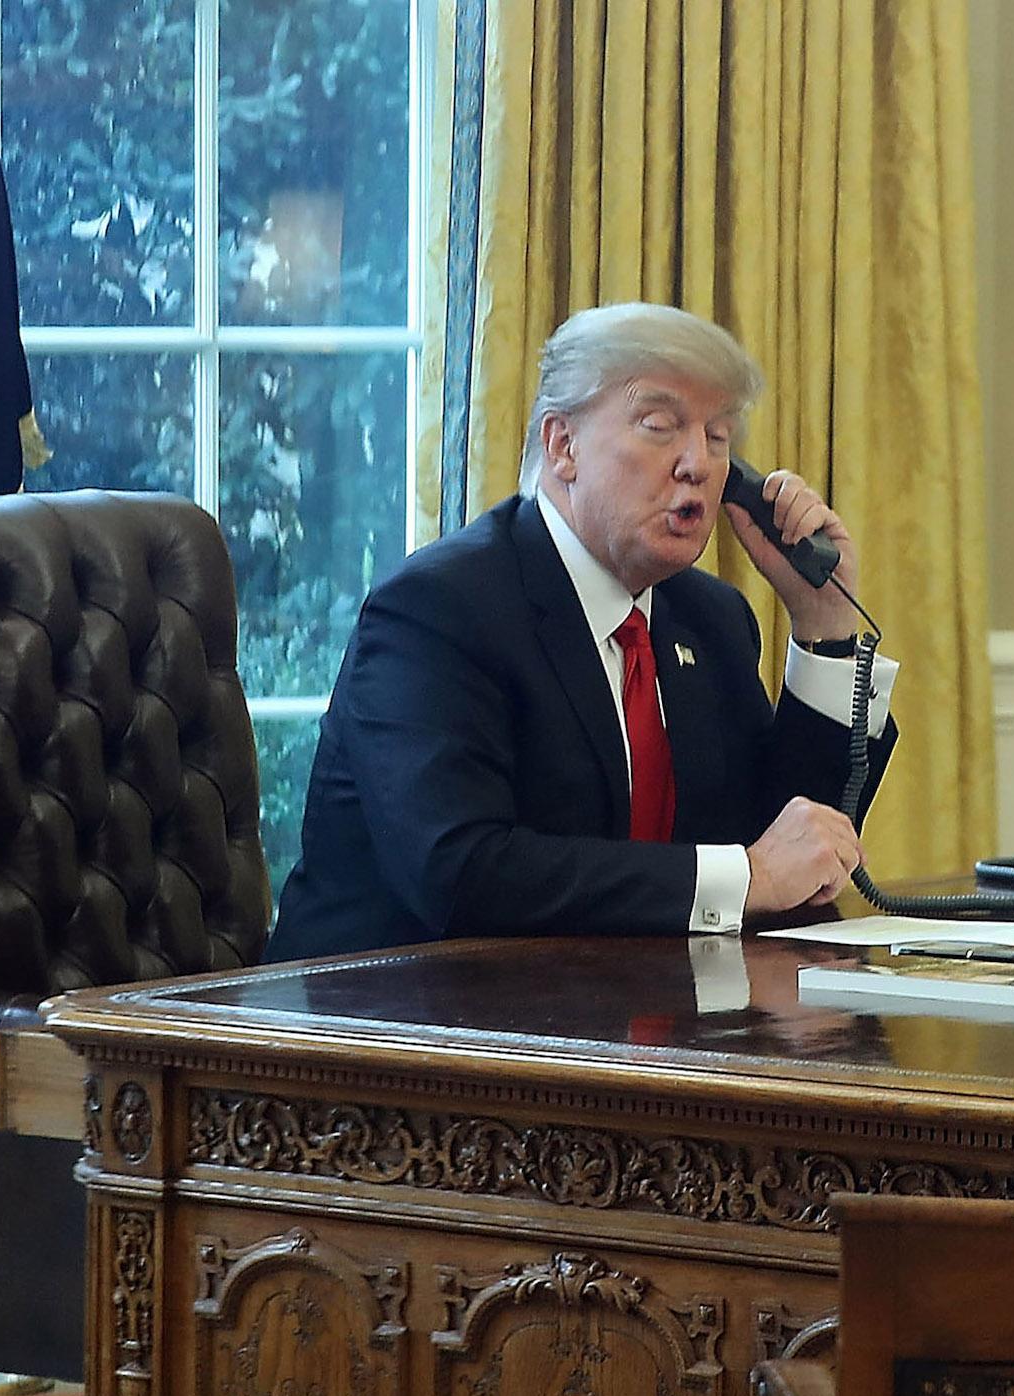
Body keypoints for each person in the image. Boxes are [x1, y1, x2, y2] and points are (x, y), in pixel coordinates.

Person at [264, 302, 899, 960]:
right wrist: (751, 875)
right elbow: (461, 875)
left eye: (718, 437)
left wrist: (824, 625)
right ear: (563, 445)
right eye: (661, 426)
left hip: (619, 1024)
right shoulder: (436, 611)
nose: (698, 465)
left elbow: (788, 857)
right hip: (377, 1030)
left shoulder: (710, 620)